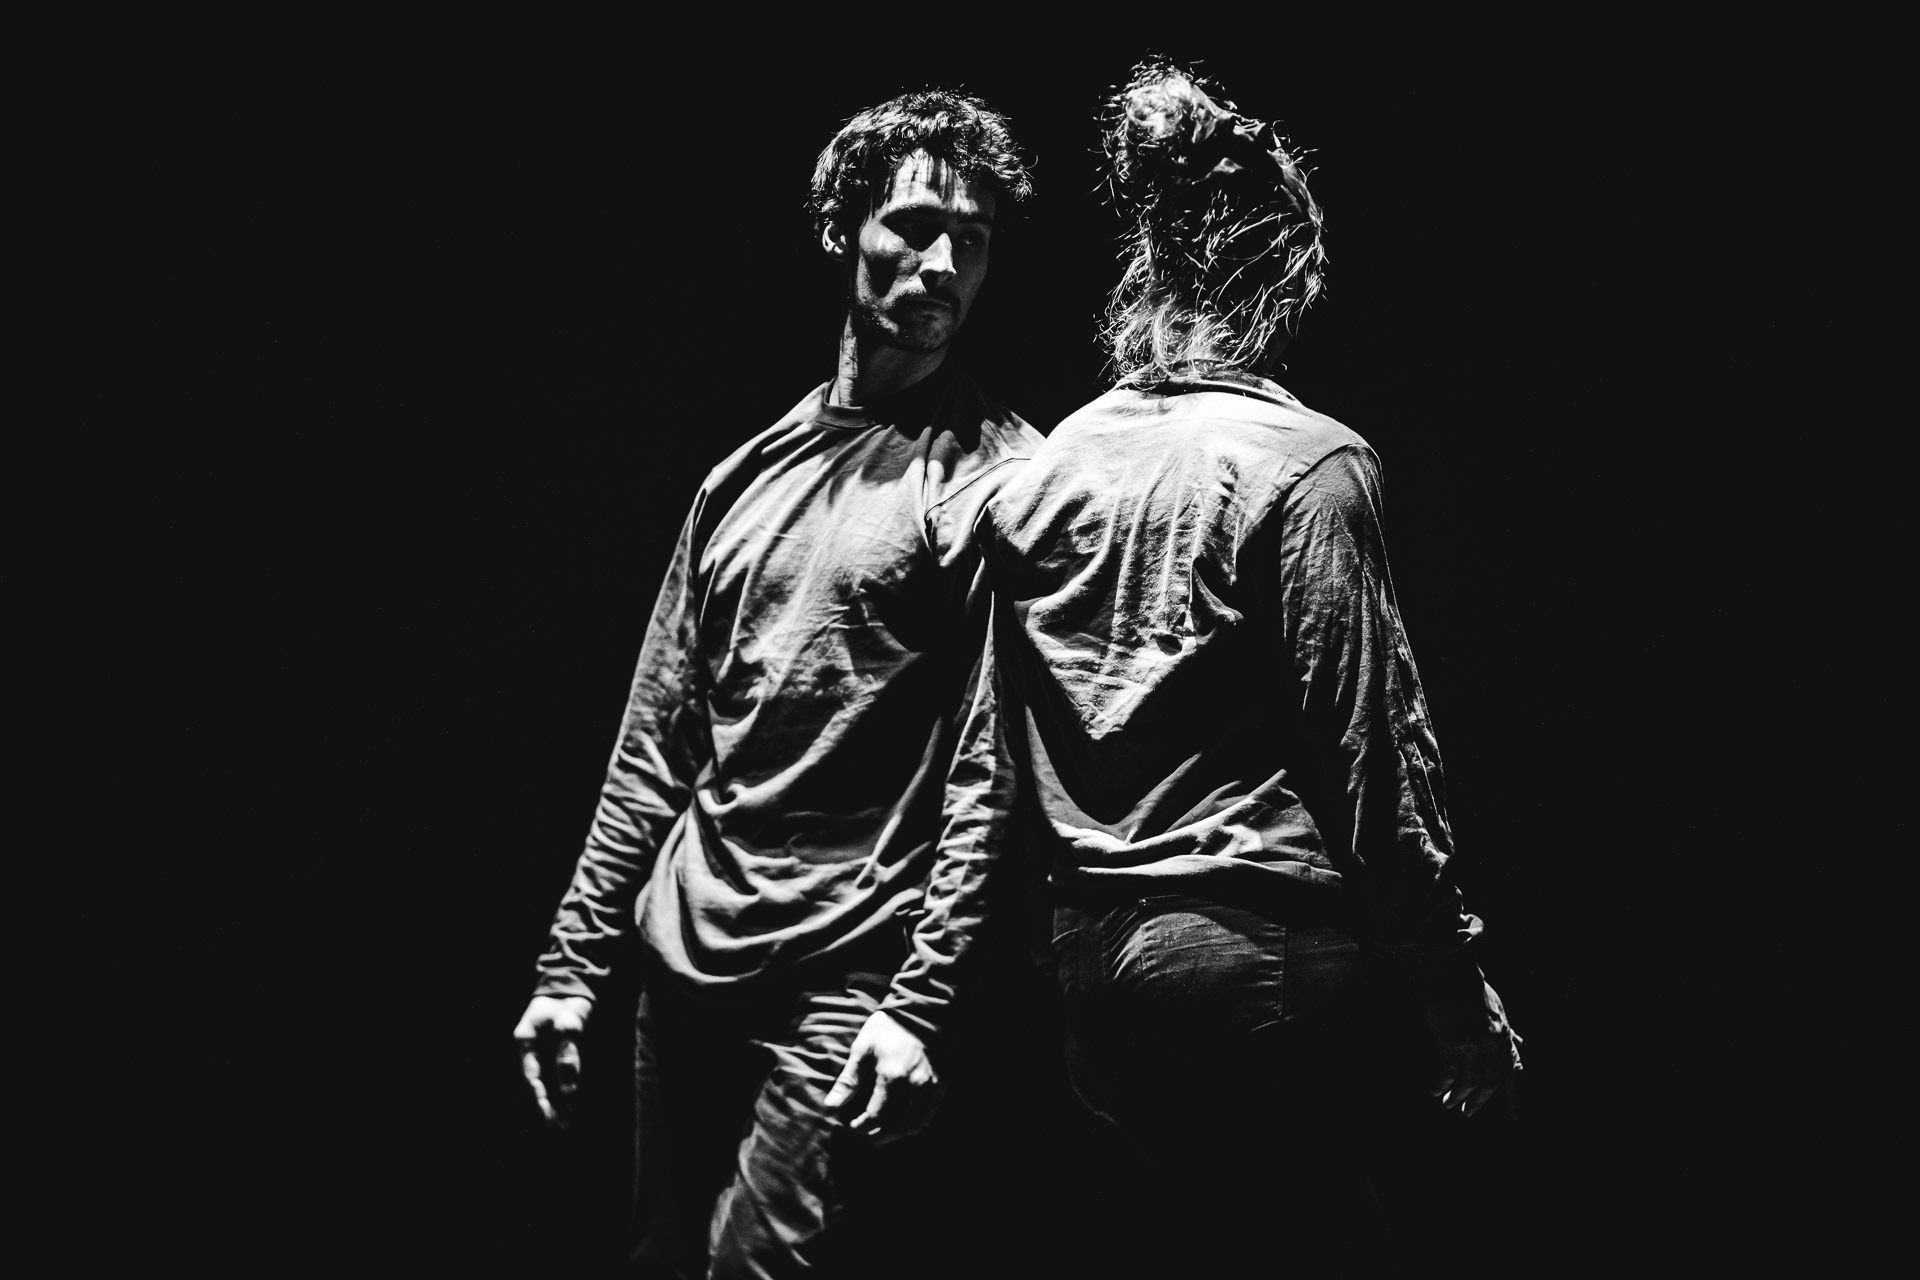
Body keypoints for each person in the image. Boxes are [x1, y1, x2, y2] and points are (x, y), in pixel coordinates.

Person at [911, 59, 1526, 1268]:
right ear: (1284, 278)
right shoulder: (1309, 462)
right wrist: (1457, 994)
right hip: (1263, 962)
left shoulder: (1047, 469)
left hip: (1090, 982)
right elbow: (1374, 756)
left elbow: (986, 758)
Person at [511, 91, 1042, 1278]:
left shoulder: (1002, 479)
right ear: (843, 228)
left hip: (849, 969)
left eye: (974, 239)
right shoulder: (741, 479)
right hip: (683, 959)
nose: (945, 262)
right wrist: (569, 970)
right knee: (656, 1256)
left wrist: (921, 1000)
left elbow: (990, 771)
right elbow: (656, 740)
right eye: (915, 225)